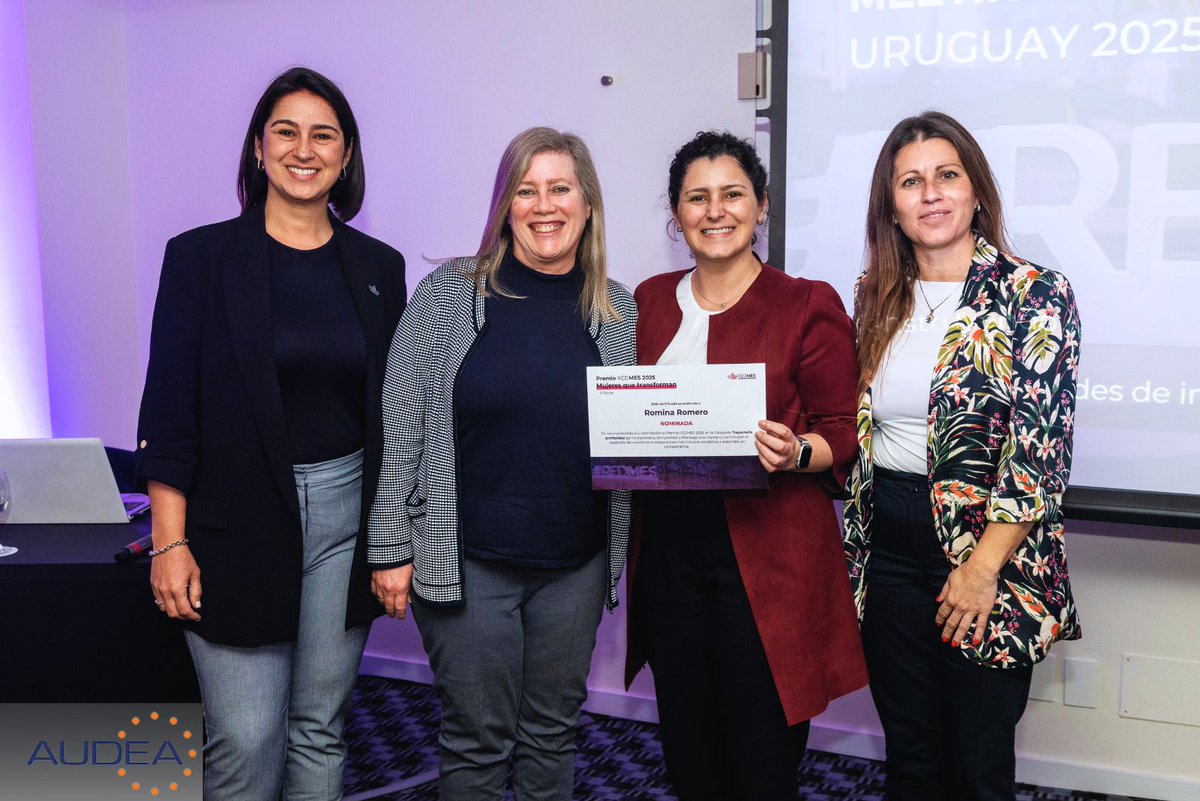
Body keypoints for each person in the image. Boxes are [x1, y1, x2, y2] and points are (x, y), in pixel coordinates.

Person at [135, 67, 406, 801]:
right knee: (246, 737)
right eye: (285, 131)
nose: (303, 148)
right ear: (259, 148)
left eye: (324, 135)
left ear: (346, 157)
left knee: (320, 727)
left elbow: (390, 411)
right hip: (235, 519)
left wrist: (395, 536)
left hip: (345, 519)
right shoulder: (199, 258)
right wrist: (169, 539)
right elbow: (169, 408)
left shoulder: (379, 268)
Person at [367, 127, 636, 801]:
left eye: (560, 188)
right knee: (477, 740)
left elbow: (637, 433)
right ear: (506, 205)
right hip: (467, 562)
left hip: (574, 564)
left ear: (588, 204)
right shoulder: (448, 295)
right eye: (527, 189)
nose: (544, 205)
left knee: (552, 734)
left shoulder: (620, 309)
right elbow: (400, 424)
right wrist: (388, 544)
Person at [841, 110, 1082, 801]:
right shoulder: (872, 297)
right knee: (911, 758)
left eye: (947, 175)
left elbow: (1040, 450)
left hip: (990, 550)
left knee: (977, 766)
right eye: (910, 181)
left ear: (976, 189)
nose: (931, 193)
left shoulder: (1036, 294)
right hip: (887, 547)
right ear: (891, 203)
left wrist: (981, 571)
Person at [625, 131, 867, 801]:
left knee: (761, 765)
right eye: (696, 198)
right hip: (669, 559)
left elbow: (842, 433)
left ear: (761, 206)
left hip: (768, 567)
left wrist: (795, 452)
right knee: (691, 757)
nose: (715, 210)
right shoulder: (644, 301)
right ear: (676, 215)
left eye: (732, 194)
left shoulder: (806, 302)